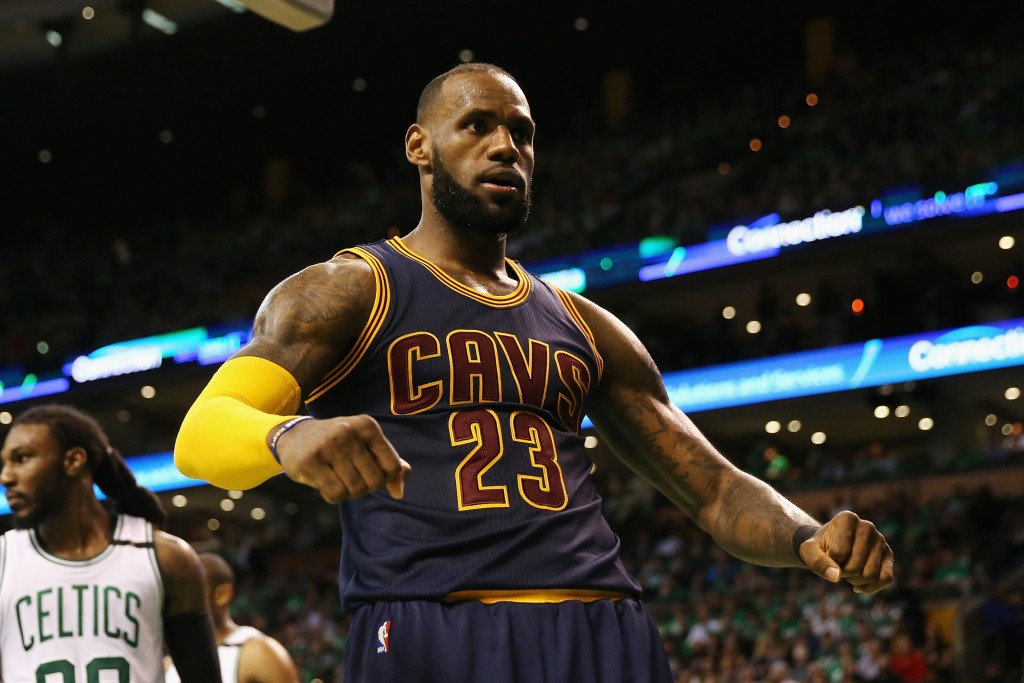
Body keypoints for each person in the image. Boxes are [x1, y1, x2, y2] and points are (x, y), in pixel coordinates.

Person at [174, 62, 895, 682]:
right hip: (435, 625)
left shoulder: (588, 325)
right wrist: (287, 436)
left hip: (604, 627)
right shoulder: (350, 288)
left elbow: (712, 489)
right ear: (419, 146)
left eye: (521, 133)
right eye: (478, 126)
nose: (505, 147)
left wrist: (807, 536)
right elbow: (200, 436)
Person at [0, 403, 221, 682]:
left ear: (73, 461)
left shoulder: (166, 557)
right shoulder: (5, 559)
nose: (6, 477)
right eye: (5, 462)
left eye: (22, 459)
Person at [164, 551, 300, 683]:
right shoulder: (169, 664)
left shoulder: (259, 653)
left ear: (222, 595)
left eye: (189, 591)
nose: (179, 601)